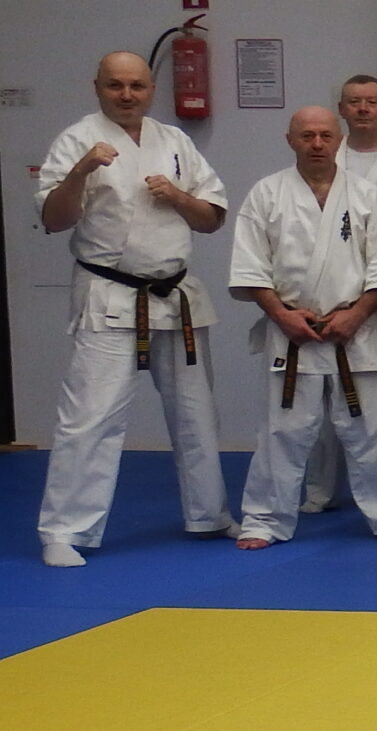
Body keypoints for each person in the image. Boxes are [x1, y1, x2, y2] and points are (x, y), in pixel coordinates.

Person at [34, 51, 233, 565]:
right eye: (115, 85)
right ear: (97, 87)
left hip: (176, 295)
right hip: (109, 294)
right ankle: (64, 530)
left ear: (151, 89)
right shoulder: (77, 139)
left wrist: (177, 197)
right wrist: (81, 171)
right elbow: (54, 219)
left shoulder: (175, 141)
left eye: (137, 86)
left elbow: (212, 218)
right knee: (90, 416)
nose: (127, 95)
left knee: (197, 415)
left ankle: (209, 515)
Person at [226, 107, 377, 547]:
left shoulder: (367, 195)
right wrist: (281, 315)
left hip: (356, 329)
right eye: (307, 135)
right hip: (291, 332)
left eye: (325, 135)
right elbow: (251, 266)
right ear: (290, 140)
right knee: (282, 431)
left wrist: (357, 314)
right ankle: (265, 520)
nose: (317, 143)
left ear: (339, 140)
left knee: (373, 428)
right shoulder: (266, 194)